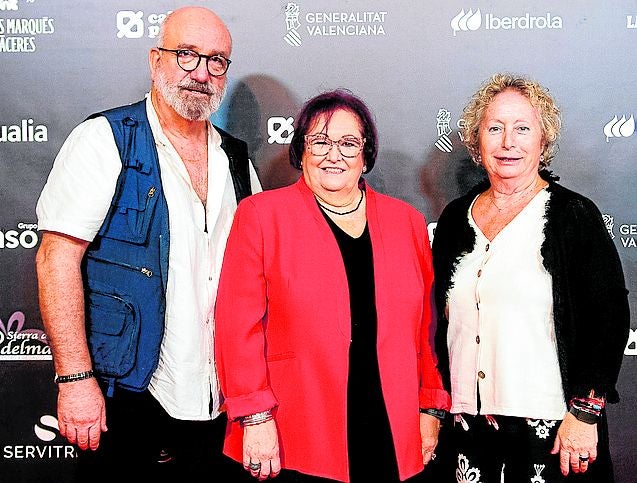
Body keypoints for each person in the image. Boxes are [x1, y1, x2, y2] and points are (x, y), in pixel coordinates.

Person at [35, 6, 261, 481]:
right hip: (128, 395)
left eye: (216, 60)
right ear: (156, 60)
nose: (201, 73)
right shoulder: (104, 140)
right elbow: (57, 258)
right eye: (187, 55)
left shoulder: (236, 157)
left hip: (218, 400)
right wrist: (75, 379)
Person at [214, 89, 451, 483]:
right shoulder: (260, 216)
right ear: (301, 151)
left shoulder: (406, 222)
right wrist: (253, 417)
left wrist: (430, 408)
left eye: (347, 143)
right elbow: (237, 328)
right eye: (319, 142)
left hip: (390, 425)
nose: (333, 154)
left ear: (365, 155)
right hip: (293, 431)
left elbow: (426, 331)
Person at [432, 73, 630, 482]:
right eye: (495, 128)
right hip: (467, 425)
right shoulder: (454, 218)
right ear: (476, 140)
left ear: (543, 142)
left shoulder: (573, 216)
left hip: (552, 427)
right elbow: (438, 323)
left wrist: (585, 413)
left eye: (523, 129)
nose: (508, 142)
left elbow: (607, 320)